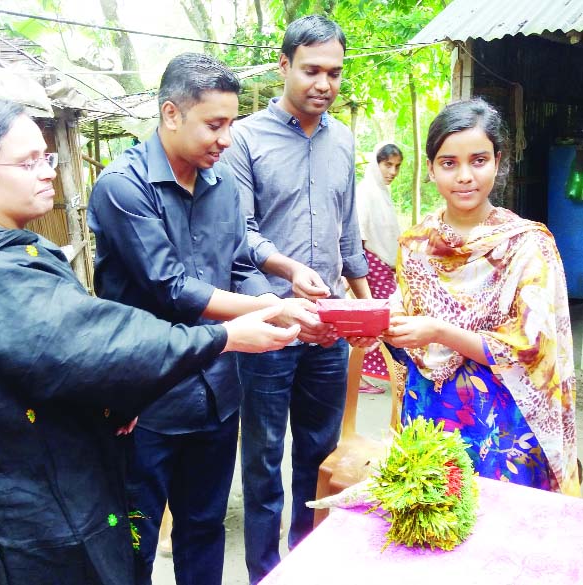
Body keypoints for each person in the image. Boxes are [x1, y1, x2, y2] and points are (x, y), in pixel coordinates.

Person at [0, 97, 301, 585]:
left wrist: (114, 394)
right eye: (29, 161)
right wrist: (226, 336)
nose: (47, 173)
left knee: (198, 525)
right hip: (26, 496)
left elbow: (55, 356)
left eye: (48, 158)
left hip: (39, 458)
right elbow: (96, 340)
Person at [87, 53, 323, 585]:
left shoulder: (222, 186)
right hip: (144, 399)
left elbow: (240, 266)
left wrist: (288, 314)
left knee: (204, 526)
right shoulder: (124, 186)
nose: (225, 138)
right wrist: (273, 306)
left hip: (217, 393)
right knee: (133, 540)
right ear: (172, 114)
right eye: (214, 125)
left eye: (231, 124)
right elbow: (171, 287)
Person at [223, 15, 374, 584]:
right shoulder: (245, 138)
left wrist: (367, 310)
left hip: (329, 326)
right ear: (284, 65)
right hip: (267, 324)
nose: (324, 84)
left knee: (317, 454)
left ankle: (310, 564)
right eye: (311, 70)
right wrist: (283, 288)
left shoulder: (343, 140)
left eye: (334, 73)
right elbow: (240, 232)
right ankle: (265, 572)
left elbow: (346, 234)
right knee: (262, 464)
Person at [382, 97, 579, 497]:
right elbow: (407, 333)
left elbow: (530, 346)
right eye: (449, 163)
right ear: (432, 168)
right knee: (435, 525)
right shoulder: (414, 246)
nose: (465, 176)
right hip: (429, 411)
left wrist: (439, 331)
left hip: (503, 421)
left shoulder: (527, 246)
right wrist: (381, 327)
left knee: (502, 533)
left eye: (478, 160)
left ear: (498, 161)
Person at [355, 142, 403, 393]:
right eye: (388, 165)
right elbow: (360, 236)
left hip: (384, 266)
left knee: (382, 323)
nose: (392, 172)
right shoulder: (365, 192)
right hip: (371, 266)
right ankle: (361, 377)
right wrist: (361, 275)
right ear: (376, 163)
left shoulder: (381, 193)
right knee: (381, 322)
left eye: (396, 166)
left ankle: (393, 374)